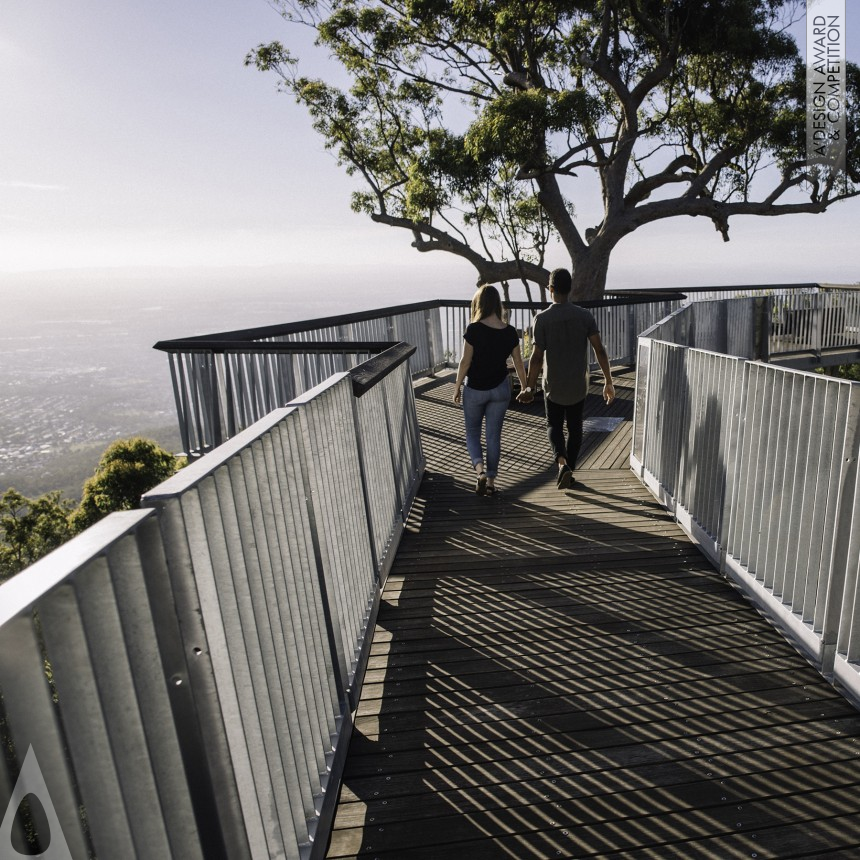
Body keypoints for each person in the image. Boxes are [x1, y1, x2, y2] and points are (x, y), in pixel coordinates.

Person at [517, 268, 615, 489]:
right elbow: (599, 349)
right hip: (578, 384)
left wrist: (529, 387)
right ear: (569, 289)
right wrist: (608, 381)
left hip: (553, 385)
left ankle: (562, 464)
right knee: (575, 427)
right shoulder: (585, 316)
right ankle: (569, 466)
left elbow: (536, 357)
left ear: (550, 289)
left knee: (553, 424)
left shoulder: (541, 319)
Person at [453, 284, 528, 495]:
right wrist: (525, 387)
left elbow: (465, 362)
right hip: (500, 389)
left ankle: (480, 473)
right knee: (494, 436)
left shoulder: (474, 329)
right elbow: (519, 363)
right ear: (498, 305)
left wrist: (457, 386)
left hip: (475, 389)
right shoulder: (510, 332)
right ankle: (492, 482)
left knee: (472, 433)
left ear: (479, 304)